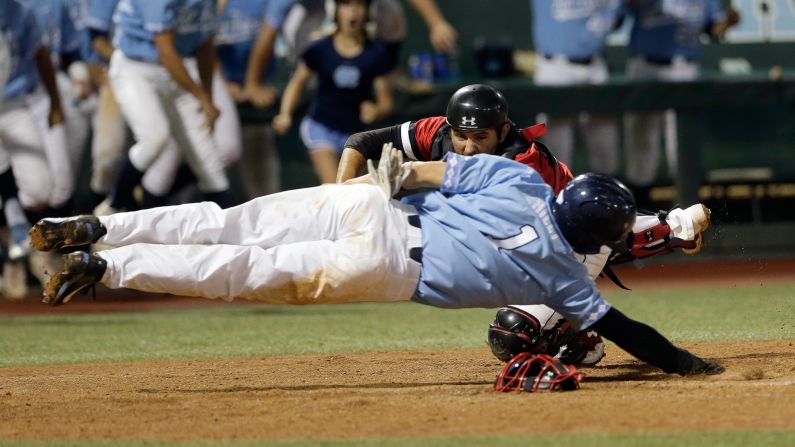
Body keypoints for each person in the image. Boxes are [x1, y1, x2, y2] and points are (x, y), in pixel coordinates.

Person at [30, 147, 723, 377]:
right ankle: (106, 267)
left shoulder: (522, 180)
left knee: (226, 221)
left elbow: (424, 172)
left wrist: (397, 174)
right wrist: (689, 364)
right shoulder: (565, 274)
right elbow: (630, 331)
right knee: (237, 268)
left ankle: (101, 225)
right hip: (385, 265)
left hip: (371, 206)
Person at [338, 83, 712, 366]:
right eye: (460, 136)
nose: (467, 146)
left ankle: (580, 333)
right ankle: (672, 228)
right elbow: (362, 141)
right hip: (530, 235)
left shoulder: (519, 161)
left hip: (568, 239)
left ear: (502, 132)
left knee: (511, 335)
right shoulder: (439, 131)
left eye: (480, 137)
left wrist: (370, 195)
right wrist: (341, 193)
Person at [94, 0, 232, 215]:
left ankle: (231, 232)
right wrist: (203, 99)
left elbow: (205, 47)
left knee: (209, 163)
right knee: (155, 138)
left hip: (178, 67)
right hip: (136, 67)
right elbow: (165, 51)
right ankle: (113, 205)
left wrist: (208, 98)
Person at [623, 0, 740, 205]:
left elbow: (714, 29)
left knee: (681, 142)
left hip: (684, 66)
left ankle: (686, 211)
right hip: (645, 65)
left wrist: (728, 22)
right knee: (642, 141)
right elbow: (624, 8)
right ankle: (639, 213)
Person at [272, 0, 394, 184]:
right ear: (335, 10)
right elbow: (297, 82)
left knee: (354, 189)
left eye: (359, 5)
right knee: (334, 186)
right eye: (346, 4)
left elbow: (387, 103)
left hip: (356, 135)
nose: (353, 11)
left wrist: (377, 110)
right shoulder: (320, 49)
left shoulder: (376, 53)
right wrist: (285, 114)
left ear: (368, 11)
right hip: (321, 127)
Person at [0, 0, 64, 299]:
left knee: (39, 190)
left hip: (13, 103)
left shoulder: (17, 11)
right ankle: (11, 251)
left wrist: (55, 101)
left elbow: (40, 54)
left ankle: (17, 233)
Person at [530, 0, 624, 174]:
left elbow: (616, 18)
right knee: (556, 141)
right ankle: (557, 195)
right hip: (556, 66)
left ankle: (606, 193)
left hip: (596, 65)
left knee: (604, 138)